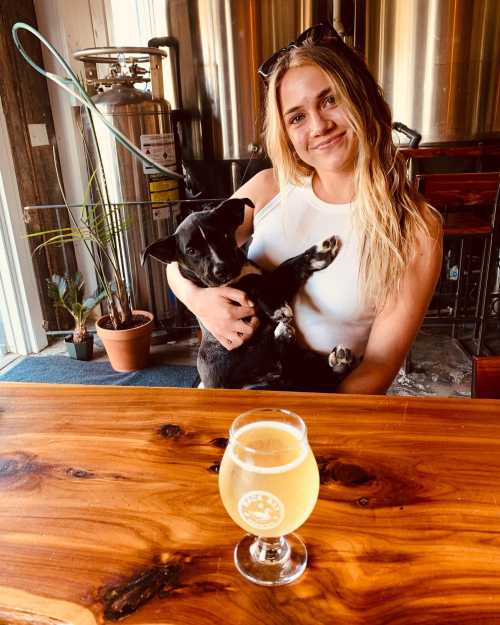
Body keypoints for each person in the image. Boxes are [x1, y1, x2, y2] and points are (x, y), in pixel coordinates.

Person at [167, 23, 443, 394]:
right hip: (227, 397)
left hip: (326, 408)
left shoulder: (414, 227)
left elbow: (380, 366)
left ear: (360, 99)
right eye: (297, 116)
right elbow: (180, 258)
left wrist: (305, 428)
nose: (319, 125)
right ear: (286, 132)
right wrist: (199, 300)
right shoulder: (269, 188)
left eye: (331, 100)